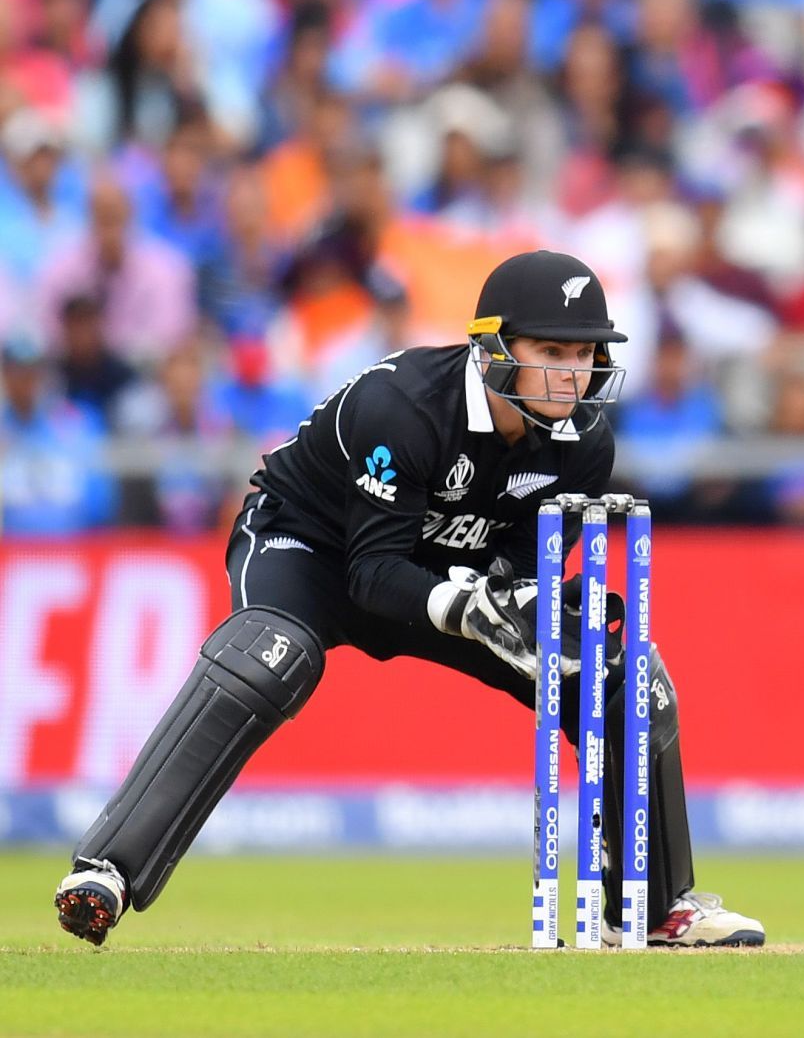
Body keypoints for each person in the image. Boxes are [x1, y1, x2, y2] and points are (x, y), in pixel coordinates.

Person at [54, 250, 763, 949]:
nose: (572, 373)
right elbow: (372, 574)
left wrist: (539, 603)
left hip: (446, 575)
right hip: (316, 551)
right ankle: (108, 870)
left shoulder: (582, 444)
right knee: (270, 655)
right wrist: (471, 607)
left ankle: (653, 905)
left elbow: (511, 566)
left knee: (619, 672)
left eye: (585, 354)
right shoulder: (402, 406)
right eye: (551, 349)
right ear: (491, 351)